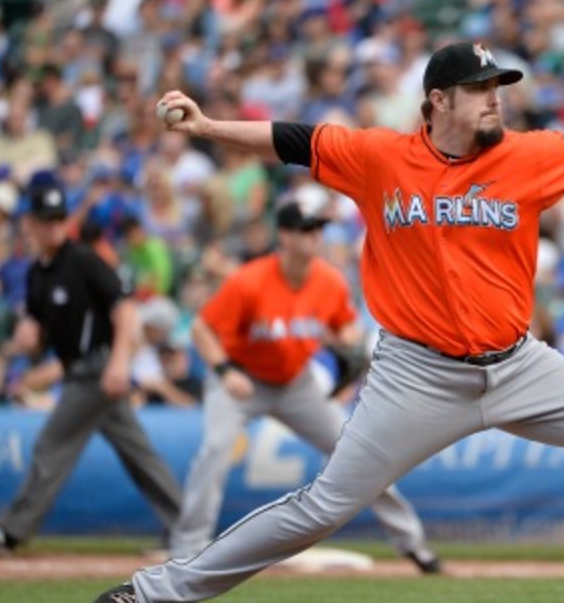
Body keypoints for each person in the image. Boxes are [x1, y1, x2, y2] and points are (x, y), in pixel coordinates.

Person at [88, 41, 564, 603]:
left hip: (520, 365)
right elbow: (290, 140)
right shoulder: (379, 157)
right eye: (482, 89)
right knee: (324, 505)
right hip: (416, 376)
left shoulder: (533, 154)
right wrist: (208, 126)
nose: (496, 100)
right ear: (438, 100)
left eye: (499, 88)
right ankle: (156, 592)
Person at [169, 185, 442, 573]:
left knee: (360, 452)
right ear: (285, 236)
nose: (315, 236)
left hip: (296, 384)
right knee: (215, 448)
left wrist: (350, 347)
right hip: (241, 380)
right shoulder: (249, 281)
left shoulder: (329, 281)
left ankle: (414, 545)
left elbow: (347, 328)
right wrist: (225, 371)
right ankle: (187, 548)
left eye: (318, 228)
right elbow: (201, 330)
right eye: (306, 229)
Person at [0, 183, 183, 556]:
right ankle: (187, 531)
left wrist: (118, 362)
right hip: (78, 370)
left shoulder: (82, 260)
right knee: (140, 455)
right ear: (30, 223)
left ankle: (10, 532)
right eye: (47, 220)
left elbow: (125, 309)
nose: (54, 227)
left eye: (60, 218)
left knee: (51, 445)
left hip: (96, 370)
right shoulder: (36, 274)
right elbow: (37, 335)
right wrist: (29, 340)